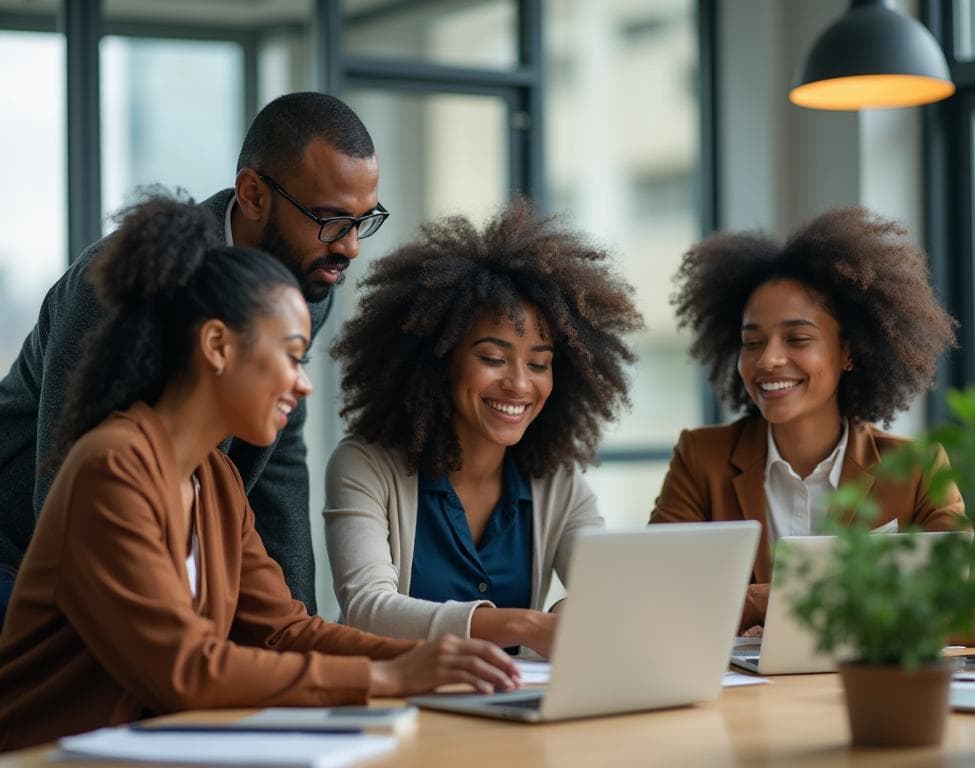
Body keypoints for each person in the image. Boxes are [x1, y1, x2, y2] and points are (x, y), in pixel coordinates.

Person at [0, 196, 519, 752]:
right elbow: (185, 671)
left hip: (153, 749)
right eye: (292, 356)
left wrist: (424, 659)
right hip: (46, 754)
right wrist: (388, 678)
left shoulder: (216, 480)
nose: (304, 384)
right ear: (217, 346)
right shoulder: (111, 467)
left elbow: (284, 633)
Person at [0, 91, 387, 618]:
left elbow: (275, 467)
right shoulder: (123, 284)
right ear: (252, 194)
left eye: (363, 221)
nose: (350, 247)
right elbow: (64, 491)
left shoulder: (304, 280)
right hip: (20, 553)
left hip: (160, 553)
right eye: (331, 220)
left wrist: (296, 626)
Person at [324, 202, 643, 656]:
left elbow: (607, 593)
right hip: (393, 703)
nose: (518, 384)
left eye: (539, 364)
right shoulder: (366, 465)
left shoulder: (559, 484)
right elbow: (368, 608)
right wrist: (526, 625)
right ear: (439, 359)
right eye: (492, 358)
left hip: (502, 710)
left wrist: (576, 611)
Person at [649, 207, 967, 632]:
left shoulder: (918, 469)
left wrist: (767, 600)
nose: (769, 359)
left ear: (849, 352)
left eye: (798, 338)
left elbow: (969, 611)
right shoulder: (701, 459)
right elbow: (657, 596)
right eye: (752, 342)